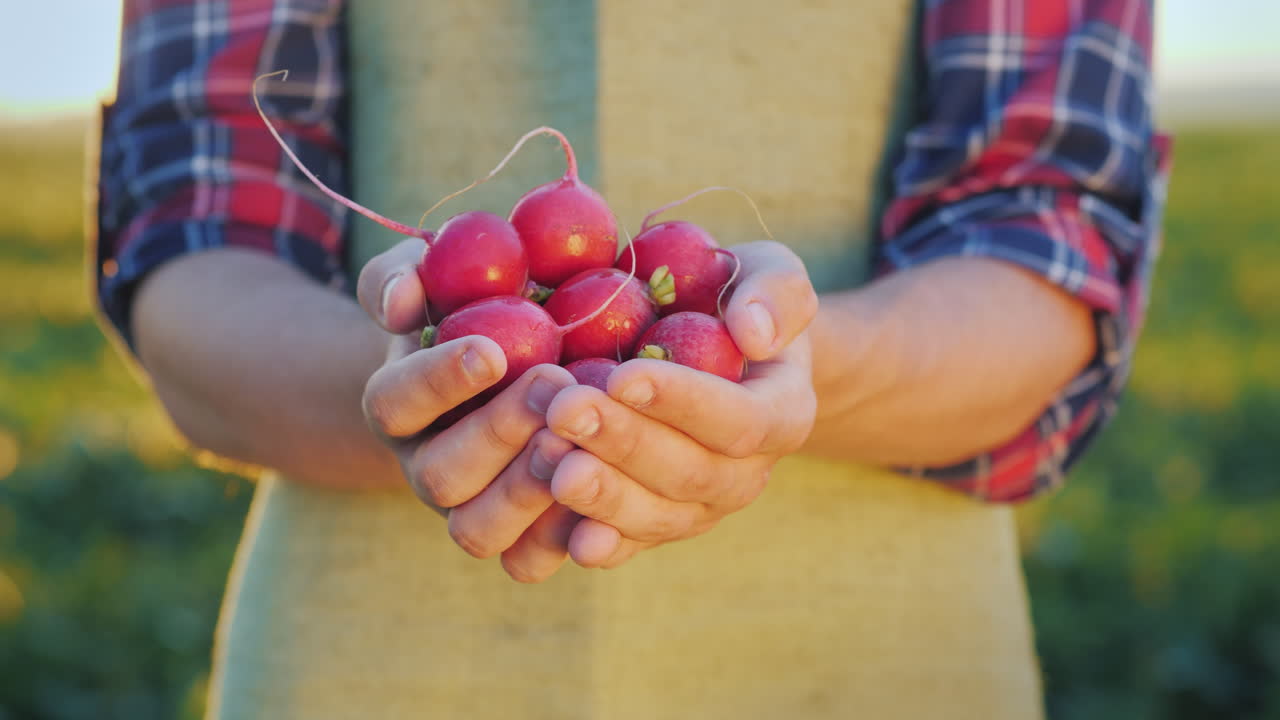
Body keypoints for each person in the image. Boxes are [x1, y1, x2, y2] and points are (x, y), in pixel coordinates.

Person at [94, 1, 1169, 717]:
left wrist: (803, 364)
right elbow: (197, 241)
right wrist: (417, 391)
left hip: (885, 663)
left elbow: (1041, 236)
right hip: (367, 661)